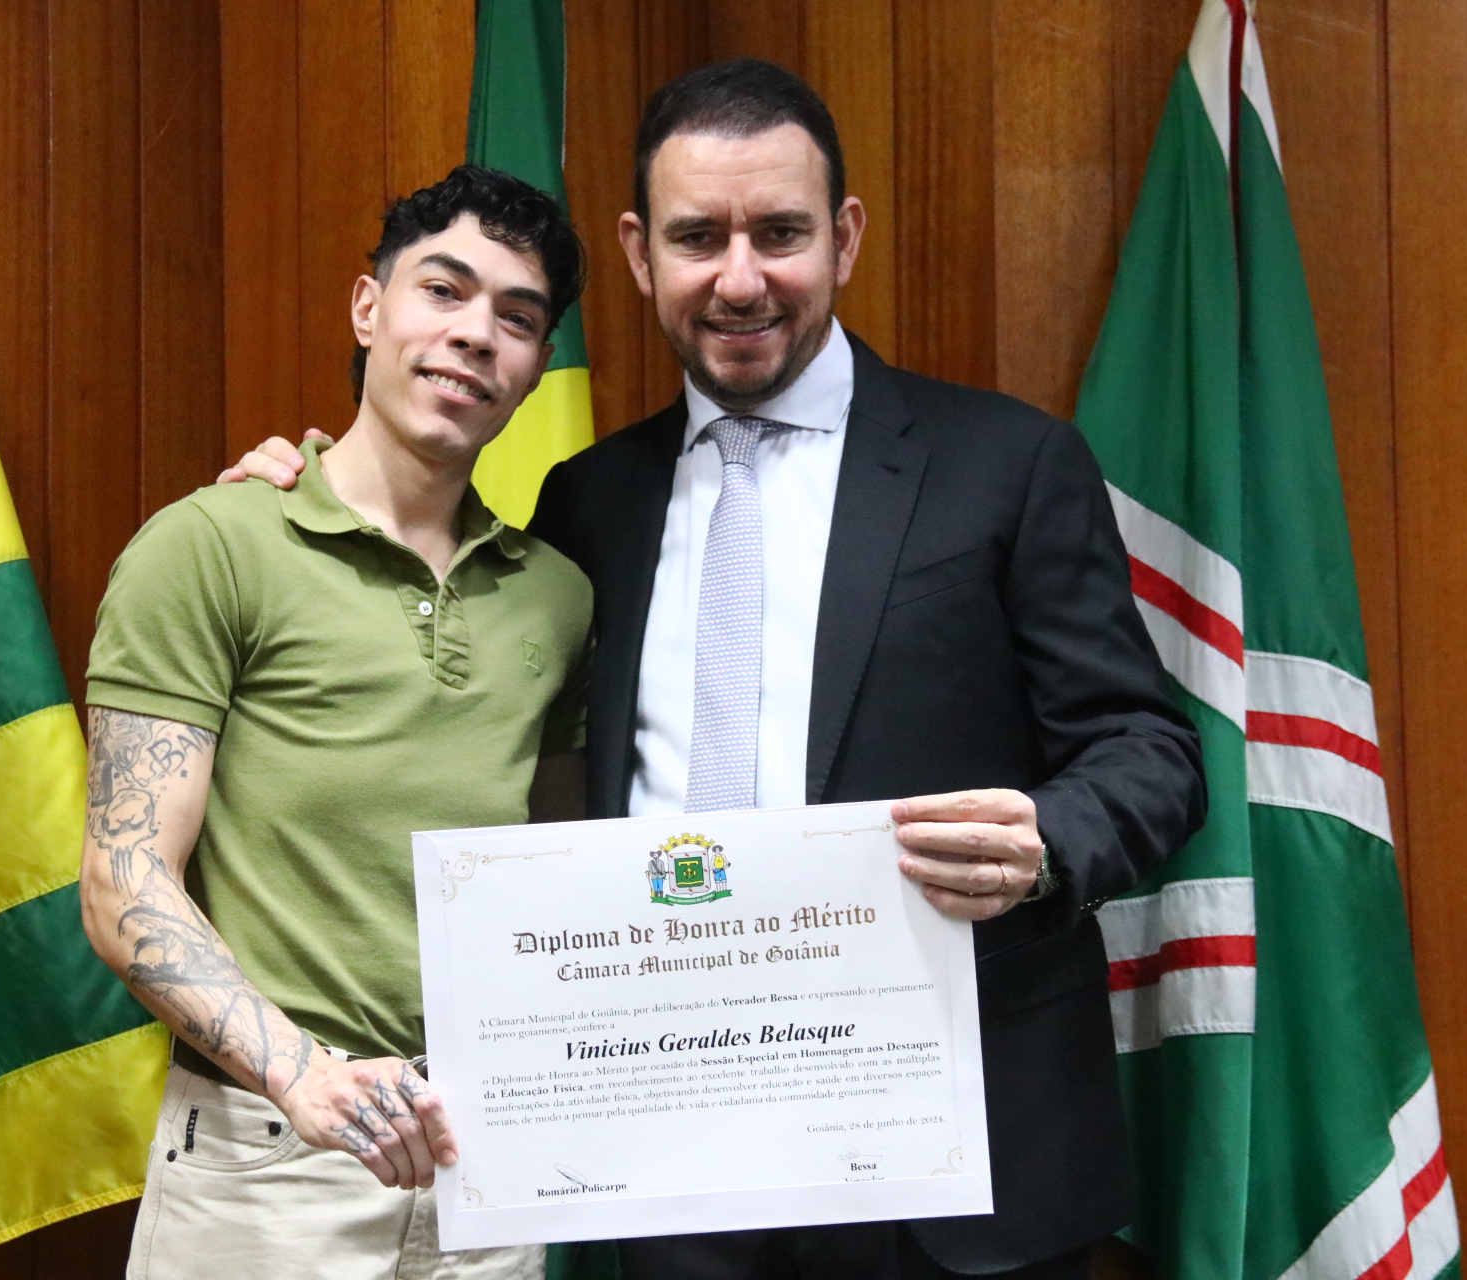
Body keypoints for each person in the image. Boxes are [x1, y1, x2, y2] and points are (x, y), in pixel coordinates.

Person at [230, 59, 1204, 1280]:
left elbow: (1150, 749)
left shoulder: (1007, 464)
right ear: (640, 255)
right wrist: (300, 498)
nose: (740, 279)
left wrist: (1048, 839)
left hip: (951, 1159)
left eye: (780, 233)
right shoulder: (589, 502)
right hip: (664, 1166)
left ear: (845, 237)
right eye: (698, 237)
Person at [80, 164, 592, 1280]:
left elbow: (552, 879)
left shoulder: (558, 595)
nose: (475, 334)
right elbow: (124, 879)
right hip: (267, 1158)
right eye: (442, 290)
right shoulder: (212, 545)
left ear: (537, 365)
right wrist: (305, 1077)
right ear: (369, 308)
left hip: (484, 1162)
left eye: (516, 318)